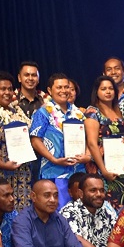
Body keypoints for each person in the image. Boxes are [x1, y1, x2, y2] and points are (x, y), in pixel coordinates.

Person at [0, 71, 35, 211]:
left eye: (10, 89)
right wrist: (3, 165)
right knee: (0, 213)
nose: (8, 92)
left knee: (21, 215)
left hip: (20, 175)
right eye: (3, 89)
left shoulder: (17, 111)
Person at [29, 74, 89, 207]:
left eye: (66, 87)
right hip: (53, 171)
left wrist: (87, 156)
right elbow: (35, 140)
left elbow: (88, 139)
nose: (64, 90)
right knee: (57, 211)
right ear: (50, 90)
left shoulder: (78, 113)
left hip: (78, 172)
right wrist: (54, 159)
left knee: (80, 210)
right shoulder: (43, 112)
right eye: (59, 87)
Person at [82, 75, 124, 208]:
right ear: (97, 92)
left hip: (121, 169)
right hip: (101, 169)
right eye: (103, 89)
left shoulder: (119, 111)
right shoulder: (93, 112)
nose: (108, 91)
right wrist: (103, 170)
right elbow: (92, 143)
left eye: (111, 88)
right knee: (105, 206)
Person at [60, 173, 119, 247]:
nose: (99, 194)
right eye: (93, 190)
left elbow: (117, 238)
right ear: (81, 193)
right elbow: (77, 241)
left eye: (102, 190)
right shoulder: (69, 212)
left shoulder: (107, 211)